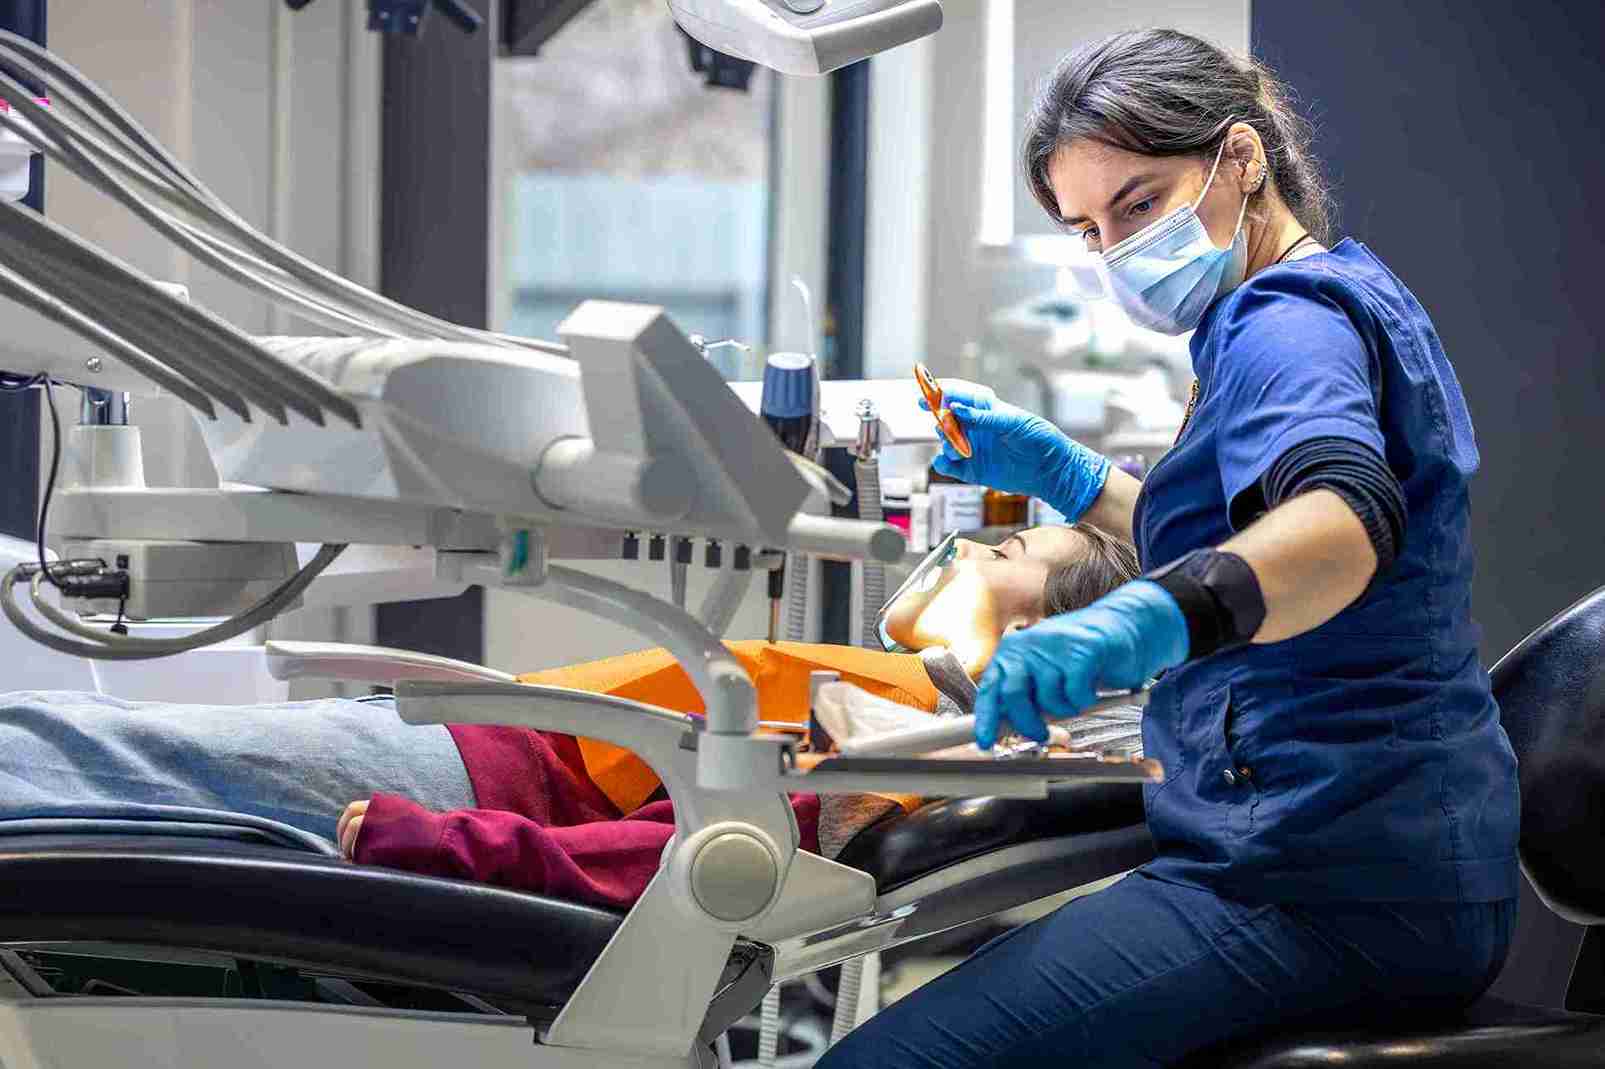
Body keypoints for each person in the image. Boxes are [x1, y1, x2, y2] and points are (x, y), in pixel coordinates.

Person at [820, 29, 1519, 1069]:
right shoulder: (1298, 298)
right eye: (1089, 229)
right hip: (1374, 856)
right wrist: (1067, 473)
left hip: (1326, 883)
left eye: (1138, 205)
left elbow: (1338, 525)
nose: (1115, 251)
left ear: (1240, 158)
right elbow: (1240, 537)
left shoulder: (1289, 325)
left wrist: (1144, 616)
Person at [0, 523, 1137, 909]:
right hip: (466, 746)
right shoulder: (898, 690)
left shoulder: (900, 740)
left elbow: (692, 857)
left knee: (79, 750)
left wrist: (434, 842)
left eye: (1011, 550)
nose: (978, 549)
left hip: (451, 792)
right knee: (86, 748)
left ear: (1056, 634)